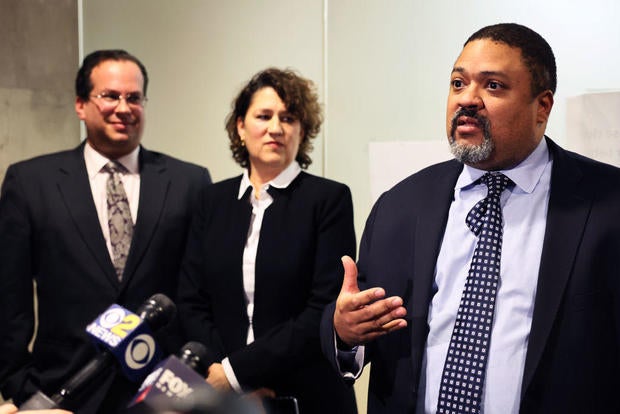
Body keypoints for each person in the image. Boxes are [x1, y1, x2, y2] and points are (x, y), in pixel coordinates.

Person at [321, 22, 620, 413]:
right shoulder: (401, 205)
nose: (467, 100)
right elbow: (365, 323)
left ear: (542, 107)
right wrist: (344, 332)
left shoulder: (607, 203)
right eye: (458, 83)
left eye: (492, 86)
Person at [0, 50, 212, 413]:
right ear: (81, 105)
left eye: (134, 97)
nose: (124, 107)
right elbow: (9, 299)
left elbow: (202, 292)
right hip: (63, 392)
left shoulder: (189, 182)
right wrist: (20, 388)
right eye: (110, 96)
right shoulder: (30, 181)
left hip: (163, 394)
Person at [177, 68, 357, 413]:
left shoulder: (328, 199)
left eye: (288, 118)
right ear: (240, 127)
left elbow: (322, 309)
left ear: (302, 131)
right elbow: (191, 301)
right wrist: (224, 377)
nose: (276, 128)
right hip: (221, 397)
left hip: (306, 394)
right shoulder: (211, 201)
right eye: (264, 116)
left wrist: (236, 373)